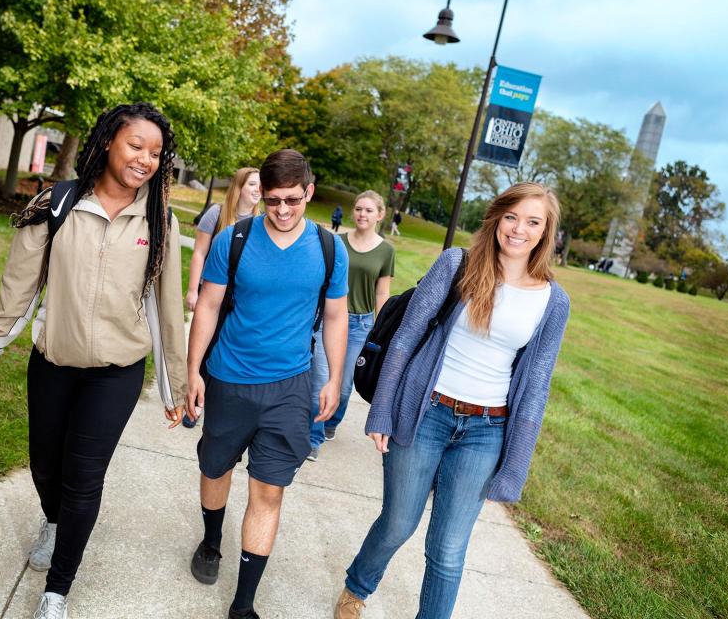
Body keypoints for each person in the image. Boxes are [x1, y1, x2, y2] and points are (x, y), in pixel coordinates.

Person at [0, 103, 187, 619]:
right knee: (45, 464)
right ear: (110, 141)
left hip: (115, 374)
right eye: (136, 146)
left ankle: (57, 591)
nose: (145, 159)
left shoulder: (159, 221)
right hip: (54, 363)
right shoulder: (57, 204)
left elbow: (167, 310)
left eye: (156, 153)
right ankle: (53, 520)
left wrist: (173, 386)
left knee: (85, 478)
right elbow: (20, 286)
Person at [334, 182, 570, 619]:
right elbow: (404, 339)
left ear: (545, 233)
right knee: (398, 523)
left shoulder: (553, 301)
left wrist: (515, 465)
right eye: (512, 216)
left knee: (447, 550)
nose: (519, 229)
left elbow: (536, 386)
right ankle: (357, 586)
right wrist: (383, 410)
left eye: (533, 222)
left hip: (486, 431)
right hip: (426, 414)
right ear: (497, 217)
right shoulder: (457, 264)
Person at [185, 149, 349, 619]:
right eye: (273, 200)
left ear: (309, 193)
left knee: (269, 490)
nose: (281, 210)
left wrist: (334, 378)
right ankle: (212, 542)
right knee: (215, 470)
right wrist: (194, 369)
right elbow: (209, 307)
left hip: (289, 388)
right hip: (229, 379)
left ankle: (243, 604)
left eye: (292, 201)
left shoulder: (327, 249)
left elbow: (336, 316)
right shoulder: (233, 240)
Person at [308, 191, 394, 461]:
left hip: (360, 325)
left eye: (369, 210)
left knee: (344, 387)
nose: (362, 214)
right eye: (358, 209)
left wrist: (380, 329)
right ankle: (313, 436)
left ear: (380, 215)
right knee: (322, 380)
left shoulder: (386, 250)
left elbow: (382, 293)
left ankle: (331, 422)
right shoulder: (337, 242)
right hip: (331, 319)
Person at [182, 166, 261, 428]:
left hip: (240, 299)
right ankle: (193, 403)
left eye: (261, 185)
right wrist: (193, 289)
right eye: (252, 184)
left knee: (227, 350)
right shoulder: (216, 214)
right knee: (206, 349)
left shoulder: (261, 221)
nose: (257, 189)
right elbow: (199, 253)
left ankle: (218, 401)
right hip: (213, 293)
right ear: (239, 187)